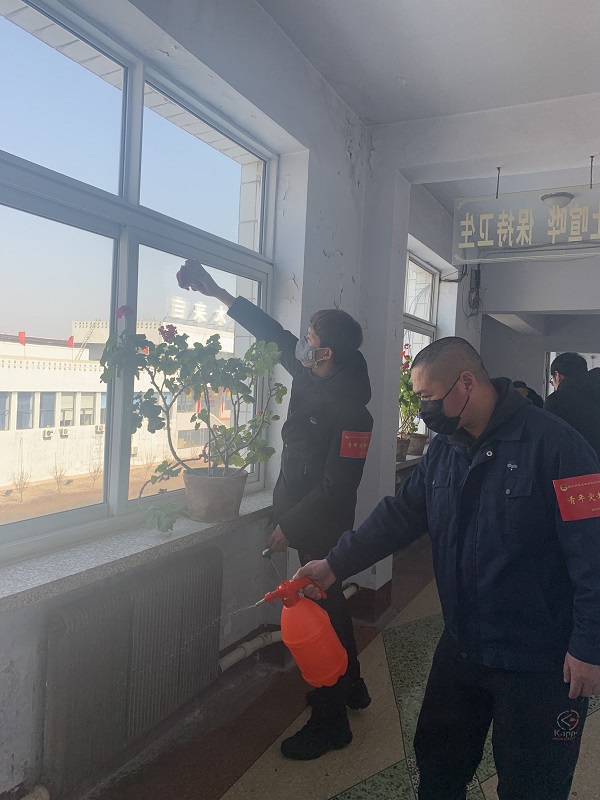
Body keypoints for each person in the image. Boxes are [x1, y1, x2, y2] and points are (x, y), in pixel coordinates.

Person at [297, 337, 600, 800]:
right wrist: (334, 564)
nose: (423, 411)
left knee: (533, 782)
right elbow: (401, 515)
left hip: (538, 656)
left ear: (466, 383)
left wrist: (589, 645)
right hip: (463, 641)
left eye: (427, 397)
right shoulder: (445, 450)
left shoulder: (558, 446)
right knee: (438, 762)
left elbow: (592, 552)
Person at [176, 259, 373, 760]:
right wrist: (217, 291)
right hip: (299, 516)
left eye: (310, 338)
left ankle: (332, 721)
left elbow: (337, 486)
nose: (301, 343)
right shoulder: (308, 370)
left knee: (321, 616)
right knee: (331, 605)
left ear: (325, 353)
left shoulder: (354, 412)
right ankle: (352, 686)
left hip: (321, 525)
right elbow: (270, 330)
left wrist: (290, 524)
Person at [544, 351, 600, 458]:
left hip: (574, 461)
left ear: (557, 375)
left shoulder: (557, 400)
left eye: (552, 381)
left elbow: (549, 437)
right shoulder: (596, 391)